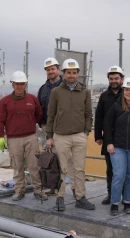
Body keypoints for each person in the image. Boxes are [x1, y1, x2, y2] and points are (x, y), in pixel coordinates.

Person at [45, 58, 95, 211]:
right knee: (62, 169)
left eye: (74, 73)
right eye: (68, 72)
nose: (71, 75)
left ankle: (80, 197)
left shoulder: (84, 91)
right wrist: (49, 137)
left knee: (79, 169)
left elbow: (88, 114)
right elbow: (51, 115)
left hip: (79, 136)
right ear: (64, 73)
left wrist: (86, 132)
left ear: (78, 74)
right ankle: (60, 197)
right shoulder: (56, 92)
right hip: (61, 136)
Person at [0, 71, 45, 201]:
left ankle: (38, 190)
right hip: (13, 139)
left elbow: (39, 114)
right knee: (17, 167)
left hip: (30, 137)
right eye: (17, 84)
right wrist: (1, 136)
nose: (19, 86)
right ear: (12, 85)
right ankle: (19, 190)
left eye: (22, 84)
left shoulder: (32, 99)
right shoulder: (5, 101)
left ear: (25, 84)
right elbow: (0, 120)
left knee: (34, 165)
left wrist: (29, 123)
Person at [104, 77, 130, 216]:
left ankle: (127, 202)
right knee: (118, 175)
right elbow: (107, 125)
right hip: (118, 147)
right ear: (123, 90)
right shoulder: (116, 106)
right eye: (127, 89)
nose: (129, 92)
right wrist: (109, 142)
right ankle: (114, 203)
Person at [37, 57, 75, 198]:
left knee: (68, 161)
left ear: (58, 70)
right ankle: (54, 188)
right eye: (48, 69)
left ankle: (74, 189)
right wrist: (42, 124)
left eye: (53, 69)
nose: (50, 71)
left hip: (64, 130)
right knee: (52, 161)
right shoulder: (43, 89)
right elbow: (40, 109)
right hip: (49, 130)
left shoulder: (67, 87)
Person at [94, 65, 124, 205]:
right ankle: (111, 194)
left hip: (125, 137)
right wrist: (98, 136)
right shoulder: (104, 96)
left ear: (122, 79)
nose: (114, 81)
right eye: (111, 78)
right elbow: (99, 116)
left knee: (124, 169)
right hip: (109, 137)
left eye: (116, 78)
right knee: (110, 169)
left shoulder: (127, 94)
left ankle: (124, 195)